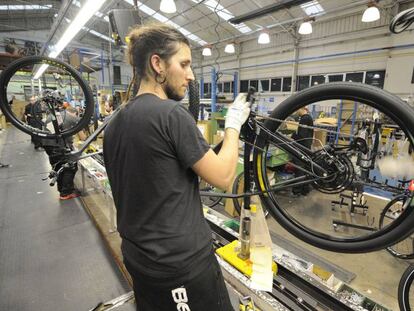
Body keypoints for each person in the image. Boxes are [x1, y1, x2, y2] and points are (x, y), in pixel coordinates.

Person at [103, 23, 250, 311]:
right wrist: (232, 127)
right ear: (157, 63)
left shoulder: (115, 123)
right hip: (179, 267)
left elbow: (157, 177)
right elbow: (223, 176)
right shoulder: (171, 115)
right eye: (183, 64)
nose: (190, 75)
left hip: (139, 258)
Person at [43, 106, 86, 200]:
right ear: (75, 113)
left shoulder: (55, 114)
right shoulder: (72, 118)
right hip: (58, 146)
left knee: (58, 166)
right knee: (70, 166)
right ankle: (66, 193)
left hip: (47, 144)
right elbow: (83, 137)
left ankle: (61, 190)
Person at [291, 107, 314, 195]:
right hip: (307, 146)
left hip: (302, 147)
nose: (297, 112)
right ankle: (305, 190)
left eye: (297, 110)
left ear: (302, 109)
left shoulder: (304, 119)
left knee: (299, 169)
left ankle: (297, 191)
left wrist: (292, 136)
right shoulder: (309, 118)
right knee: (305, 169)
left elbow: (302, 135)